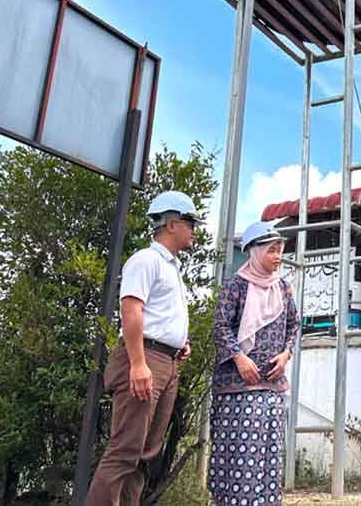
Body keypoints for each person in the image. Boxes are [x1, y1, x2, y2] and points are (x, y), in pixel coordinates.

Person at [87, 191, 202, 505]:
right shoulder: (146, 260)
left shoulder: (171, 267)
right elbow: (131, 309)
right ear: (172, 223)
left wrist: (180, 343)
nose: (194, 229)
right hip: (144, 358)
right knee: (125, 450)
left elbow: (156, 315)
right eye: (190, 222)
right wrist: (138, 363)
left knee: (144, 454)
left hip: (167, 361)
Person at [209, 219, 300, 506]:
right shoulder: (236, 286)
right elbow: (221, 326)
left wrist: (286, 354)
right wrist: (239, 358)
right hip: (237, 389)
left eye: (280, 250)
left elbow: (294, 325)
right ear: (255, 251)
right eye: (272, 250)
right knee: (239, 454)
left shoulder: (283, 288)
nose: (277, 257)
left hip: (271, 388)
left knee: (267, 457)